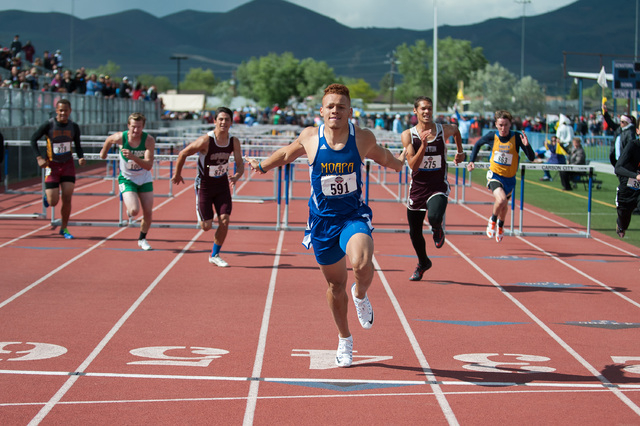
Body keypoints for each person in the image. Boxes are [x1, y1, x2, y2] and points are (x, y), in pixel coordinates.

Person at [245, 84, 405, 368]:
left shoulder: (362, 138)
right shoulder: (310, 136)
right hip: (321, 222)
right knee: (335, 285)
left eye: (341, 106)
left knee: (361, 262)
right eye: (330, 106)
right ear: (322, 111)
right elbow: (286, 154)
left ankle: (361, 295)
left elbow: (386, 159)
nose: (335, 111)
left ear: (350, 112)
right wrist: (263, 166)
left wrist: (404, 161)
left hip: (352, 216)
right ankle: (345, 338)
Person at [171, 106, 244, 267]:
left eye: (227, 119)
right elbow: (183, 153)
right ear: (215, 121)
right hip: (204, 186)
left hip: (222, 185)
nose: (224, 122)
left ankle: (215, 254)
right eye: (221, 119)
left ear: (232, 122)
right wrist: (177, 174)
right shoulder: (206, 140)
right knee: (206, 227)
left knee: (224, 220)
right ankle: (201, 210)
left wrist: (237, 175)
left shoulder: (233, 141)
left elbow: (240, 164)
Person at [403, 96, 465, 281]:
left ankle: (437, 228)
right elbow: (413, 165)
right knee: (414, 232)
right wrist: (423, 145)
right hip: (417, 188)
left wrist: (460, 152)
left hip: (438, 185)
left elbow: (456, 130)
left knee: (434, 216)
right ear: (416, 111)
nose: (427, 112)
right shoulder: (408, 135)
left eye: (429, 108)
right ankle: (423, 262)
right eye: (423, 109)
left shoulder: (442, 130)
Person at [466, 110, 536, 242]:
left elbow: (531, 158)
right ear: (496, 125)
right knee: (502, 200)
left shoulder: (516, 137)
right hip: (495, 175)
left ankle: (500, 226)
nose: (503, 128)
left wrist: (527, 146)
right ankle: (492, 220)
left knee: (504, 206)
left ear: (510, 125)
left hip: (510, 178)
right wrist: (471, 161)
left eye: (505, 125)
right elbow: (477, 144)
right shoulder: (492, 136)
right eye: (500, 125)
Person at [30, 99, 85, 239]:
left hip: (68, 165)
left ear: (70, 111)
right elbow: (33, 139)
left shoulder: (74, 126)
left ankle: (64, 228)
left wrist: (81, 157)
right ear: (56, 110)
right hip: (52, 165)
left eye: (66, 110)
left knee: (67, 197)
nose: (63, 113)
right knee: (53, 201)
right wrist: (39, 158)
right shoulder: (49, 125)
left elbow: (78, 145)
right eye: (60, 110)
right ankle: (47, 197)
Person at [100, 113, 156, 250]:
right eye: (133, 127)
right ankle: (130, 209)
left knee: (148, 212)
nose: (135, 130)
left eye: (139, 127)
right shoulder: (121, 137)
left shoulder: (148, 140)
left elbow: (149, 165)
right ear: (128, 126)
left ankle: (142, 239)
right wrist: (104, 152)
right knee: (135, 210)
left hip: (144, 177)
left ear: (143, 127)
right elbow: (109, 140)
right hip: (127, 178)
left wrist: (133, 157)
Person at [613, 121, 640, 238]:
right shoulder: (632, 145)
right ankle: (620, 225)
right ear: (638, 131)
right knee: (624, 216)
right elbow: (618, 168)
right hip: (628, 184)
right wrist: (635, 176)